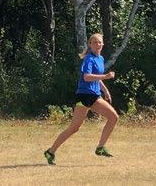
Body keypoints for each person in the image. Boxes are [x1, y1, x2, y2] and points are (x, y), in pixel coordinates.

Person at [44, 33, 119, 165]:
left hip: (95, 96)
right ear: (90, 45)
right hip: (84, 96)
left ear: (103, 44)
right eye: (95, 42)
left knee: (113, 117)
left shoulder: (100, 58)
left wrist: (105, 90)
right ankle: (51, 151)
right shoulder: (89, 59)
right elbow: (87, 77)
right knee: (74, 128)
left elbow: (97, 77)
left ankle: (100, 148)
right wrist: (106, 77)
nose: (98, 44)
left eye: (100, 42)